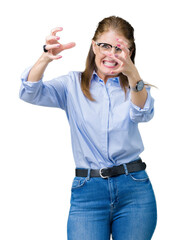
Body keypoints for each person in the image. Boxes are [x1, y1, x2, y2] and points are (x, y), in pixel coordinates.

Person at [19, 16, 157, 240]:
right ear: (94, 46)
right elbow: (30, 92)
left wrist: (133, 75)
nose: (111, 54)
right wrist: (45, 58)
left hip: (134, 190)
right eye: (105, 46)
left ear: (129, 52)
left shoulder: (136, 87)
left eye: (120, 48)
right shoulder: (71, 85)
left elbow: (142, 114)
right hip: (88, 192)